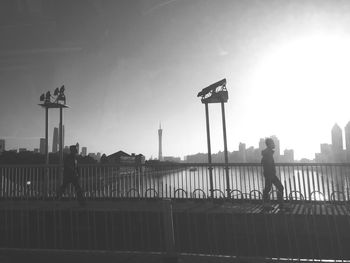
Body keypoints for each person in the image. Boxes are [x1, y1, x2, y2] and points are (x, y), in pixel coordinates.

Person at [261, 138, 284, 210]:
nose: (274, 144)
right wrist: (270, 172)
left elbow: (263, 162)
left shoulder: (268, 152)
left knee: (268, 189)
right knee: (279, 187)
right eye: (273, 143)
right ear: (269, 144)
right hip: (270, 174)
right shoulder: (268, 153)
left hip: (270, 174)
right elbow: (266, 162)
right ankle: (277, 204)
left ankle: (267, 205)